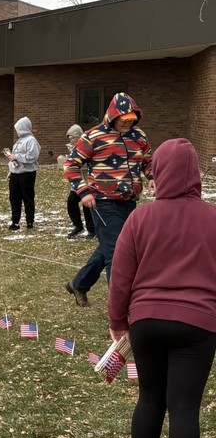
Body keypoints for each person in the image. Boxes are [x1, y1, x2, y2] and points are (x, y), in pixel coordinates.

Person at [108, 138, 216, 438]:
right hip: (198, 324)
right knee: (184, 406)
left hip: (146, 322)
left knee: (150, 398)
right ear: (195, 175)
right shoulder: (213, 218)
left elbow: (120, 277)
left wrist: (118, 322)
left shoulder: (140, 217)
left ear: (160, 173)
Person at [64, 93, 153, 307]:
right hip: (103, 202)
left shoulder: (138, 136)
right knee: (118, 254)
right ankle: (120, 309)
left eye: (131, 120)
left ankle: (79, 284)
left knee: (111, 247)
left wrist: (152, 178)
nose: (127, 124)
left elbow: (148, 161)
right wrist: (83, 192)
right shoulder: (92, 136)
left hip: (130, 202)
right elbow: (71, 165)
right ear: (113, 116)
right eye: (123, 121)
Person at [4, 116, 40, 230]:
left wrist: (17, 157)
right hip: (16, 174)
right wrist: (11, 170)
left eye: (18, 129)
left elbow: (32, 156)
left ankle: (30, 221)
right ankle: (15, 221)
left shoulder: (31, 140)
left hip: (27, 174)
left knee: (27, 197)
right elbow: (14, 159)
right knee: (14, 198)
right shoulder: (19, 141)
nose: (17, 132)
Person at [62, 125, 95, 239]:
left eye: (72, 138)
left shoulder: (85, 145)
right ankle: (78, 226)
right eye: (69, 138)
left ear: (78, 137)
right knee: (71, 202)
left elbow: (88, 162)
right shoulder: (73, 148)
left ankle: (92, 229)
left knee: (87, 204)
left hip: (86, 179)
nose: (71, 140)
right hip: (77, 181)